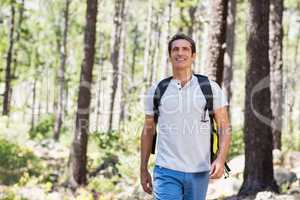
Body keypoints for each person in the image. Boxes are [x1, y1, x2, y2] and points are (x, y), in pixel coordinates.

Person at [140, 33, 231, 200]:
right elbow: (148, 131)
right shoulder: (157, 90)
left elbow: (224, 127)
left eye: (185, 49)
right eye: (175, 49)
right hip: (166, 170)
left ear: (193, 55)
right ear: (170, 56)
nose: (180, 53)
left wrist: (220, 159)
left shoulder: (210, 88)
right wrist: (143, 168)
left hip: (199, 172)